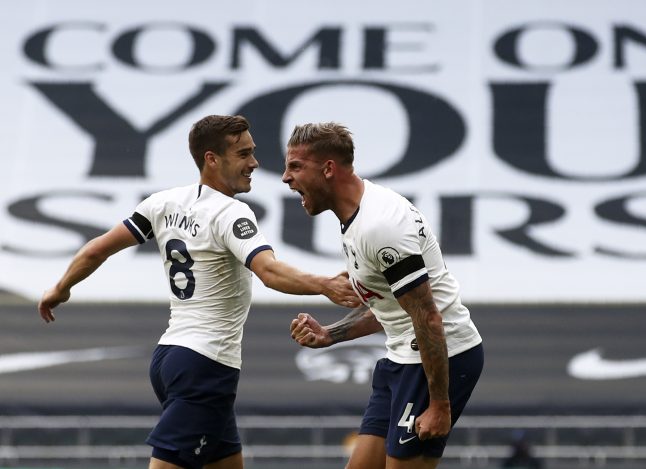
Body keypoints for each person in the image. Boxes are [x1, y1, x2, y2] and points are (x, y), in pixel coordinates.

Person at [38, 115, 360, 469]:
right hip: (206, 365)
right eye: (243, 154)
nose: (254, 163)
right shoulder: (231, 213)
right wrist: (325, 285)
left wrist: (61, 287)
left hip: (172, 357)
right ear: (212, 159)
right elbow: (268, 271)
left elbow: (96, 249)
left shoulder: (162, 203)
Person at [284, 122, 484, 469]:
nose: (286, 178)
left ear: (328, 168)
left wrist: (439, 405)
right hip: (400, 358)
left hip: (438, 360)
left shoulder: (381, 226)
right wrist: (330, 335)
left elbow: (427, 316)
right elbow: (391, 308)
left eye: (295, 166)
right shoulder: (357, 218)